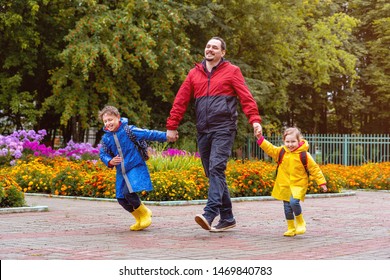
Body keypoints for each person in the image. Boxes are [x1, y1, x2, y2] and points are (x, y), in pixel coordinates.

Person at [166, 37, 262, 232]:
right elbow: (180, 100)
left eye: (215, 47)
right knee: (212, 172)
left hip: (224, 128)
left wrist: (254, 120)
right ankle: (227, 217)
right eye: (208, 46)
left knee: (216, 168)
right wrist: (172, 125)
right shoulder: (194, 73)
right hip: (203, 129)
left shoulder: (232, 71)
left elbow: (246, 97)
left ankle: (210, 214)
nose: (210, 49)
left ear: (222, 53)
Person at [99, 105, 168, 231]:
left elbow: (149, 134)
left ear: (118, 118)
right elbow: (102, 154)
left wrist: (166, 136)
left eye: (110, 119)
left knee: (128, 192)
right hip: (121, 171)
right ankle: (139, 218)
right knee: (121, 198)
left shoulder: (128, 130)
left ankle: (145, 214)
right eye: (105, 121)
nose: (108, 123)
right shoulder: (106, 138)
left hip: (134, 166)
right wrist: (110, 161)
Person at [256, 127, 327, 236]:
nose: (290, 144)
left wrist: (322, 182)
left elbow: (314, 169)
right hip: (284, 184)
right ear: (284, 141)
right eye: (287, 141)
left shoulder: (304, 155)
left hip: (299, 184)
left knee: (294, 202)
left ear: (299, 141)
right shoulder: (281, 152)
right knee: (287, 207)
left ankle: (300, 222)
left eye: (293, 141)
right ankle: (291, 228)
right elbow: (269, 148)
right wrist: (260, 139)